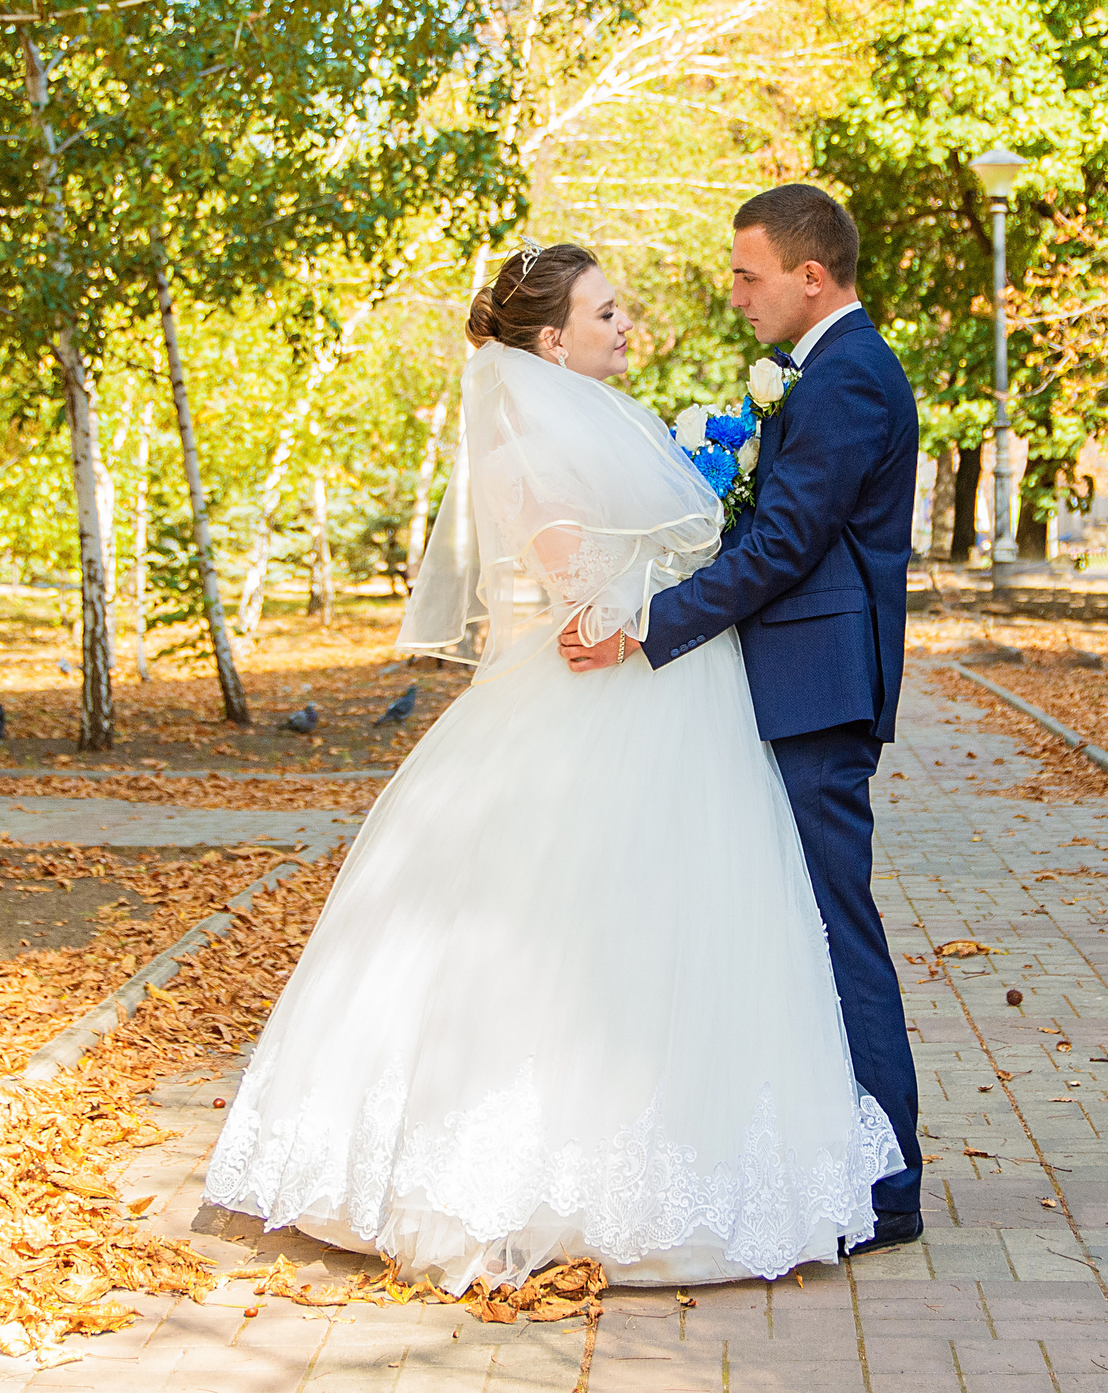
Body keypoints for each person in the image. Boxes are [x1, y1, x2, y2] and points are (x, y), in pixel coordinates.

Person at [204, 241, 900, 1294]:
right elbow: (585, 599)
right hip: (623, 690)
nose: (624, 325)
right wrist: (654, 598)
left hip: (684, 689)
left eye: (619, 309)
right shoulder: (525, 449)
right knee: (586, 925)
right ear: (548, 340)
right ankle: (530, 1183)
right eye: (603, 312)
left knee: (684, 930)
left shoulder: (616, 422)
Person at [561, 183, 925, 1257]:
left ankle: (889, 1182)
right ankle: (839, 1159)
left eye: (747, 274)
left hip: (819, 688)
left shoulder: (848, 378)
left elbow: (783, 549)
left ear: (810, 277)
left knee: (835, 929)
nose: (736, 295)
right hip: (798, 681)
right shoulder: (822, 377)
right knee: (800, 928)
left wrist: (647, 626)